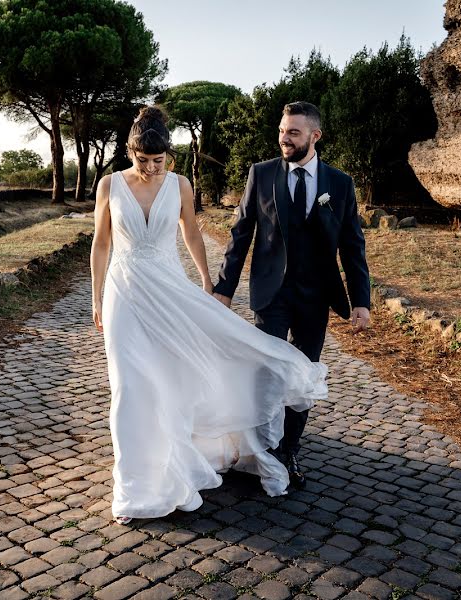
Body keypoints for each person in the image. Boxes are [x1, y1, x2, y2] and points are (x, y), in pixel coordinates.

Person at [90, 106, 328, 524]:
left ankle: (179, 458)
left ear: (171, 157)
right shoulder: (109, 186)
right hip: (124, 292)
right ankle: (136, 488)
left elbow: (191, 234)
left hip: (168, 289)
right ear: (130, 152)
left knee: (170, 377)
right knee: (128, 386)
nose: (149, 168)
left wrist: (209, 284)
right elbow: (101, 244)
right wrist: (96, 300)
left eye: (158, 161)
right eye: (142, 161)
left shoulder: (180, 185)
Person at [213, 101, 371, 488]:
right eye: (283, 130)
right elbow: (240, 234)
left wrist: (361, 301)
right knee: (267, 372)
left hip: (316, 297)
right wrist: (224, 290)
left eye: (294, 132)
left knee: (302, 375)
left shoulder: (340, 183)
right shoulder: (261, 174)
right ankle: (260, 449)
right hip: (272, 294)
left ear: (315, 136)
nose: (285, 138)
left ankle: (290, 451)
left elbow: (353, 246)